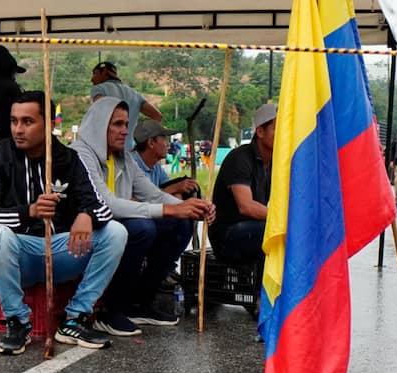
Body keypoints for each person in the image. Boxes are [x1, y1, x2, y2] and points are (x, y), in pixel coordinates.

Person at [0, 91, 126, 355]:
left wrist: (87, 215)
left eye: (27, 122)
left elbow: (101, 206)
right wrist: (30, 211)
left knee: (115, 232)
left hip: (61, 251)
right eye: (14, 121)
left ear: (49, 124)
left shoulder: (69, 158)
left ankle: (75, 319)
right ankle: (17, 322)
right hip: (18, 254)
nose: (18, 129)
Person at [71, 97, 214, 337]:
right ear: (99, 124)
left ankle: (140, 302)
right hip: (88, 228)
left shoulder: (123, 157)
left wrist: (191, 207)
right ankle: (111, 310)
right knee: (141, 228)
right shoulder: (80, 153)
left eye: (126, 124)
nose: (125, 131)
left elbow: (152, 194)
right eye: (117, 124)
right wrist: (171, 209)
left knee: (180, 223)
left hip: (118, 224)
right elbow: (107, 203)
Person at [208, 104, 276, 265]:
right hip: (228, 234)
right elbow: (246, 206)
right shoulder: (240, 158)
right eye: (277, 128)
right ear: (260, 132)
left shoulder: (275, 162)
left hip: (253, 227)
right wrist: (284, 220)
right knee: (272, 232)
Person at [90, 61, 162, 151]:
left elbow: (101, 107)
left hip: (105, 151)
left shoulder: (99, 89)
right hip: (128, 152)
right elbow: (157, 116)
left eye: (95, 74)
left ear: (104, 72)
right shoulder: (135, 94)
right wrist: (141, 143)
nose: (92, 79)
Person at [132, 119, 200, 199]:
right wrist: (175, 188)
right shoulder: (130, 166)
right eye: (164, 139)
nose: (168, 144)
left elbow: (167, 187)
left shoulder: (155, 166)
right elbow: (137, 202)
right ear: (151, 143)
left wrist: (177, 189)